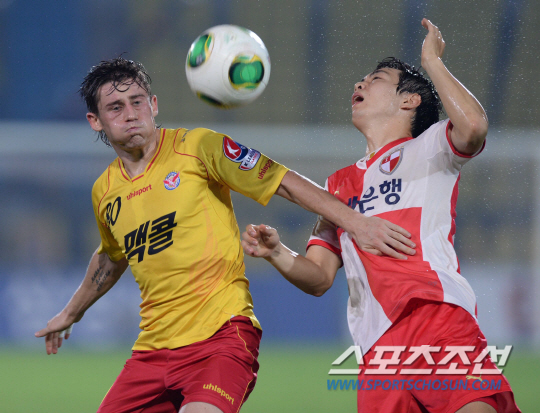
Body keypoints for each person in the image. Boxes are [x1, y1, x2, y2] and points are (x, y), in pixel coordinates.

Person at [34, 56, 416, 413]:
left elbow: (283, 182)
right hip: (150, 352)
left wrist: (356, 222)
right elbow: (110, 256)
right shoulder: (105, 191)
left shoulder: (198, 148)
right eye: (116, 108)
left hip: (221, 339)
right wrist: (70, 313)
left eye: (137, 102)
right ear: (95, 121)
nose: (131, 114)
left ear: (153, 104)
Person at [241, 19, 520, 413]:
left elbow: (473, 127)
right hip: (376, 351)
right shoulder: (338, 186)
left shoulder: (431, 147)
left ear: (409, 101)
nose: (360, 83)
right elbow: (319, 277)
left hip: (434, 315)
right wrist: (277, 253)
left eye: (376, 79)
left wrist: (432, 63)